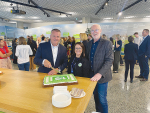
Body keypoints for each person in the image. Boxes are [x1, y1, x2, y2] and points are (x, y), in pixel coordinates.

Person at [86, 24, 113, 113]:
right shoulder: (89, 43)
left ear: (100, 31)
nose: (94, 32)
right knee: (96, 98)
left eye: (96, 30)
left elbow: (109, 60)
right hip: (92, 77)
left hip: (102, 77)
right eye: (92, 30)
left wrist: (99, 73)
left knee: (102, 99)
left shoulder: (107, 43)